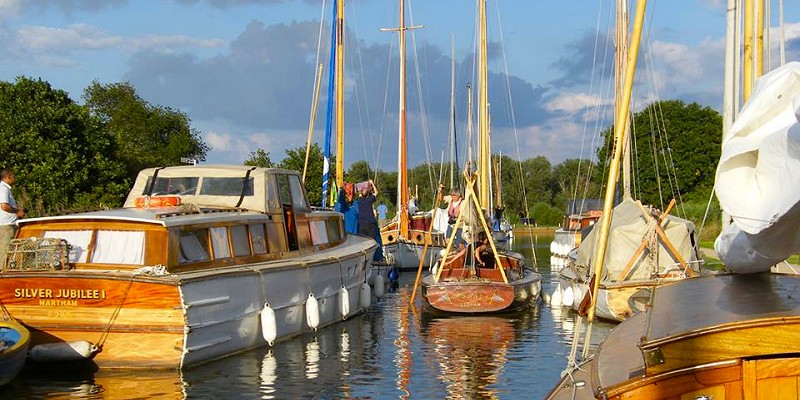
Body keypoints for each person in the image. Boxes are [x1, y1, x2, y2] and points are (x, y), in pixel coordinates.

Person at [0, 169, 25, 267]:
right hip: (6, 225)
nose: (15, 178)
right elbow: (4, 206)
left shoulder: (4, 188)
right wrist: (17, 212)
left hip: (6, 224)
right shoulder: (3, 188)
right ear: (8, 177)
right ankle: (2, 272)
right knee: (5, 249)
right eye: (13, 176)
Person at [357, 180, 384, 262]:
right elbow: (376, 192)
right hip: (370, 224)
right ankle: (371, 260)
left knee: (362, 243)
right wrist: (372, 183)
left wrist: (361, 189)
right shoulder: (369, 200)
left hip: (361, 224)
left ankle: (363, 260)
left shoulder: (359, 201)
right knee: (371, 242)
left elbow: (360, 194)